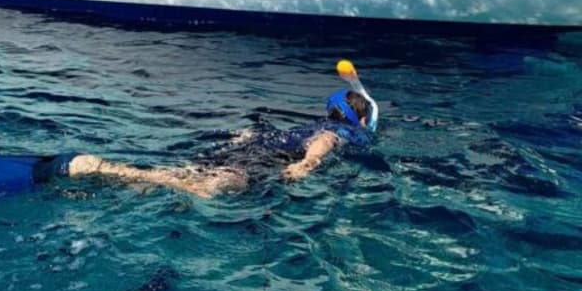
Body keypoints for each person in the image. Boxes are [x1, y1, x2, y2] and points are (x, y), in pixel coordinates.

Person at [63, 90, 373, 198]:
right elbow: (325, 141)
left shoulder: (311, 123)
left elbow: (253, 134)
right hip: (264, 158)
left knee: (192, 175)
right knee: (209, 187)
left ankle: (139, 181)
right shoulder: (342, 132)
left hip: (251, 144)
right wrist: (305, 165)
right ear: (360, 121)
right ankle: (111, 169)